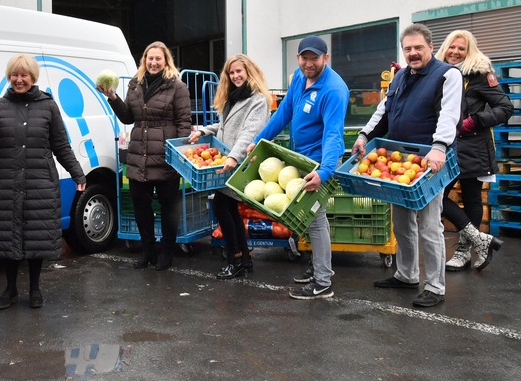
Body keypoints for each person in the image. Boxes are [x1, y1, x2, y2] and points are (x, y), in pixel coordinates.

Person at [352, 23, 462, 308]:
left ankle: (435, 286)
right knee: (401, 221)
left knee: (429, 225)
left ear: (430, 48)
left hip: (429, 162)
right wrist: (365, 136)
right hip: (399, 160)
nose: (413, 53)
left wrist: (439, 147)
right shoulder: (399, 77)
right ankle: (407, 274)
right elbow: (384, 111)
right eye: (408, 49)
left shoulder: (447, 75)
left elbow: (449, 114)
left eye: (418, 48)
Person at [0, 54, 86, 310]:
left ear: (33, 78)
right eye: (15, 74)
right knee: (8, 237)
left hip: (39, 181)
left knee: (36, 237)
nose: (19, 79)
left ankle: (34, 289)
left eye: (24, 75)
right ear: (9, 76)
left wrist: (78, 174)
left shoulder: (48, 107)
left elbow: (60, 145)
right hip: (6, 181)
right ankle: (10, 289)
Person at [249, 35, 349, 299]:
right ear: (298, 58)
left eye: (314, 58)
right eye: (304, 57)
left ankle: (323, 282)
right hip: (301, 158)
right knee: (310, 218)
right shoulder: (298, 76)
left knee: (315, 219)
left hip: (322, 161)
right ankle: (319, 266)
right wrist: (258, 141)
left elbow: (333, 135)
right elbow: (284, 113)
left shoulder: (333, 90)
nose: (308, 63)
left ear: (325, 58)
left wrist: (325, 171)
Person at [96, 41, 191, 271]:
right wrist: (113, 98)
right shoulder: (135, 84)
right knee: (141, 206)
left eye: (158, 58)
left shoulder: (177, 87)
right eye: (150, 58)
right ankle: (148, 251)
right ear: (144, 60)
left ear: (166, 60)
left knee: (168, 206)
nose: (154, 62)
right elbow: (129, 117)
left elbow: (184, 122)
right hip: (140, 154)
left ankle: (167, 252)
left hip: (166, 155)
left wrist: (180, 154)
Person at [188, 54, 272, 279]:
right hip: (228, 162)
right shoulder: (233, 98)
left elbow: (249, 132)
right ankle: (243, 260)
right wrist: (205, 131)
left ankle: (236, 259)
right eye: (231, 72)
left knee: (222, 207)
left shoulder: (257, 100)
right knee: (229, 209)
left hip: (240, 163)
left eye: (239, 72)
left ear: (249, 72)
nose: (235, 76)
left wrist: (233, 157)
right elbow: (225, 126)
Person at [435, 30, 509, 271]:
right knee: (435, 197)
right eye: (452, 47)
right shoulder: (439, 73)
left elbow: (505, 107)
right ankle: (482, 240)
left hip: (473, 146)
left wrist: (474, 120)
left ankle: (464, 252)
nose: (455, 52)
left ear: (470, 52)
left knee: (472, 197)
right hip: (446, 146)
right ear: (445, 48)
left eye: (461, 48)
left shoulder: (479, 75)